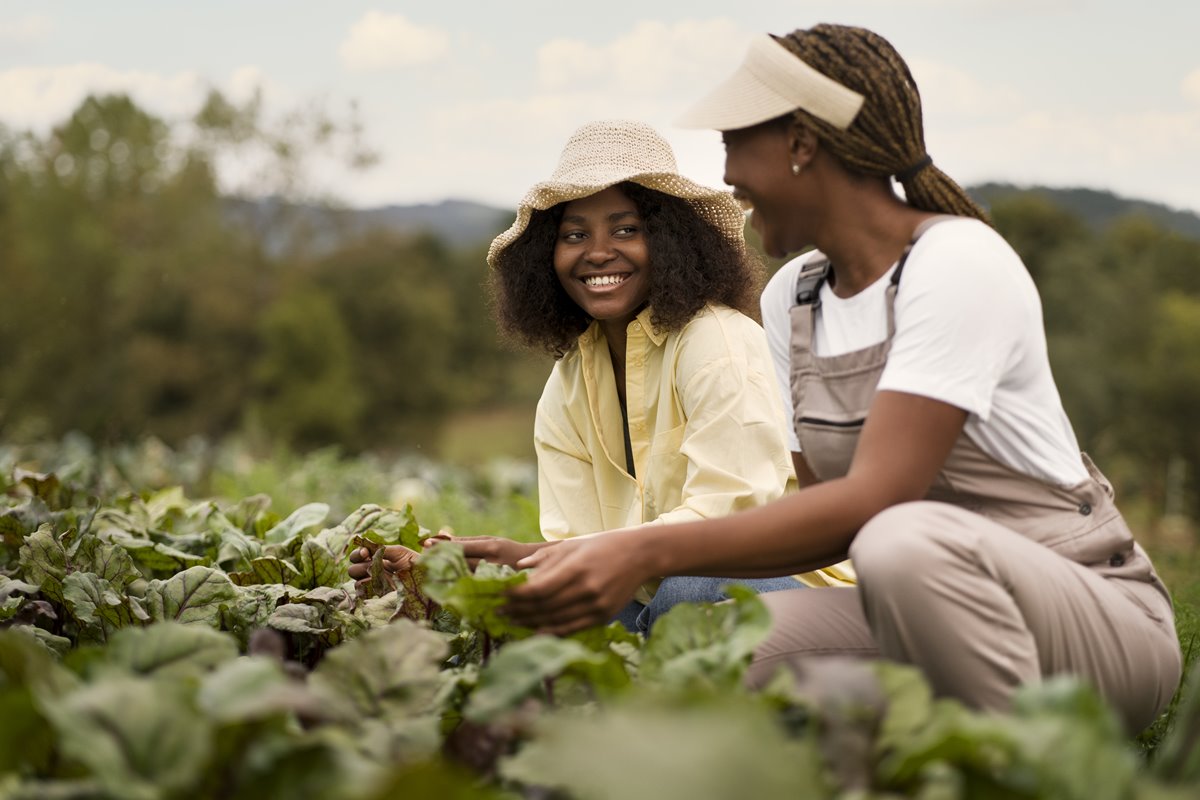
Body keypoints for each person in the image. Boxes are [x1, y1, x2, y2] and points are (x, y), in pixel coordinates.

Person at [502, 26, 1182, 731]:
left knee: (899, 538)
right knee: (719, 646)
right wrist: (538, 560)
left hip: (1085, 626)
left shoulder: (955, 265)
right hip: (909, 607)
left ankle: (1011, 762)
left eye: (736, 139)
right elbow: (813, 527)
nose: (728, 171)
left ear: (801, 144)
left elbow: (875, 502)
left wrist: (641, 548)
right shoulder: (794, 299)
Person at [349, 120, 854, 633]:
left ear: (670, 240)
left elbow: (728, 525)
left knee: (691, 588)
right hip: (660, 594)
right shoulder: (569, 381)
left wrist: (523, 556)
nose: (597, 252)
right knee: (560, 608)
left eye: (625, 229)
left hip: (787, 589)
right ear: (547, 256)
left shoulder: (715, 340)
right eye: (574, 235)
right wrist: (458, 571)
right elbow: (582, 557)